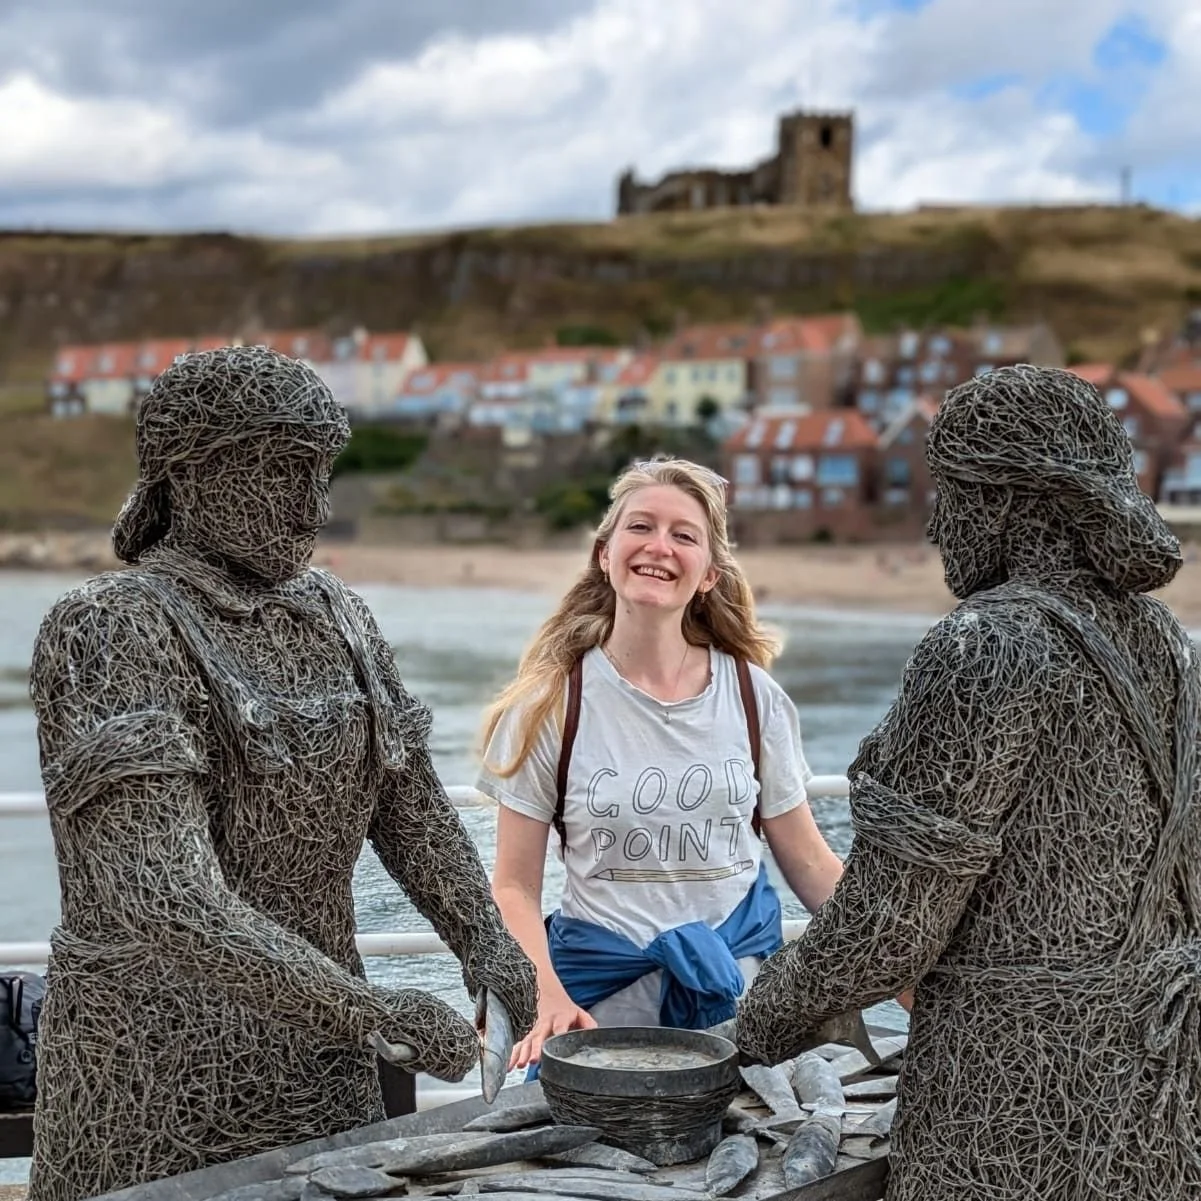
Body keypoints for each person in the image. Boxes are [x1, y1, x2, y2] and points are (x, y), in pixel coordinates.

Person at [27, 346, 537, 1201]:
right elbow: (163, 896)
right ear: (189, 477)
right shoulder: (111, 628)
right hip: (154, 1082)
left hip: (322, 1070)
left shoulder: (339, 612)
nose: (313, 508)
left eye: (321, 473)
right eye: (280, 471)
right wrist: (373, 1015)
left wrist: (482, 936)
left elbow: (407, 803)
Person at [735, 365, 1201, 1200]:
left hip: (1008, 1096)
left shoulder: (985, 646)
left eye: (946, 491)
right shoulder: (1171, 646)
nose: (933, 522)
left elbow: (888, 925)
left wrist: (759, 1019)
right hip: (1158, 1093)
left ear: (1008, 501)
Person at [478, 456, 846, 1068]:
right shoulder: (549, 705)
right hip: (600, 1012)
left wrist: (904, 966)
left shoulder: (755, 698)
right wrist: (547, 994)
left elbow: (810, 864)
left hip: (741, 1000)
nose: (659, 546)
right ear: (605, 553)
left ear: (708, 573)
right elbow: (514, 884)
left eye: (684, 535)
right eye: (640, 526)